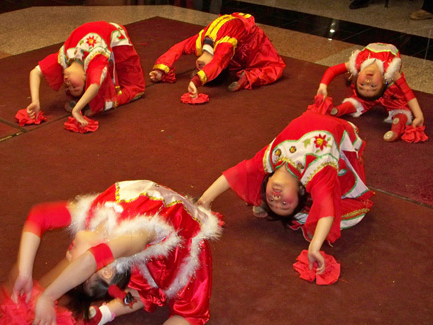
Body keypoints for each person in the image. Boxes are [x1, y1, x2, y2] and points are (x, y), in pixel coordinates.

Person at [9, 180, 222, 325]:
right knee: (144, 286)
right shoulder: (123, 238)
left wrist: (38, 286)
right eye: (77, 268)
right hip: (159, 231)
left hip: (187, 241)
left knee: (190, 309)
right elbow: (88, 256)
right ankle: (101, 314)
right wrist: (34, 282)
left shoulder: (111, 226)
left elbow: (40, 216)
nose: (68, 254)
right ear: (106, 268)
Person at [197, 99, 374, 275]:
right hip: (343, 134)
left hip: (317, 119)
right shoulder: (318, 173)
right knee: (337, 199)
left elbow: (235, 174)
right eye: (284, 204)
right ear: (301, 191)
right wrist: (314, 246)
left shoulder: (269, 160)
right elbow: (327, 210)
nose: (276, 199)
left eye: (271, 201)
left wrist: (204, 200)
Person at [26, 21, 145, 126]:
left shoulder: (63, 58)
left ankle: (96, 103)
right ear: (85, 76)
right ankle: (98, 103)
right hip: (116, 37)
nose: (67, 83)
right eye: (74, 86)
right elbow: (95, 85)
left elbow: (35, 72)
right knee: (136, 88)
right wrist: (77, 110)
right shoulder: (95, 63)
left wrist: (35, 101)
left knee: (132, 89)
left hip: (111, 33)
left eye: (68, 87)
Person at [149, 12, 286, 98]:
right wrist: (161, 69)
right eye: (201, 70)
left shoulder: (220, 45)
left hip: (253, 44)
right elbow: (177, 49)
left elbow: (218, 62)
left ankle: (249, 77)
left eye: (199, 70)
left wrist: (196, 81)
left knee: (274, 66)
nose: (198, 67)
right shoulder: (204, 41)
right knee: (227, 61)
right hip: (239, 42)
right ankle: (238, 74)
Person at [316, 42, 425, 142]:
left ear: (357, 77)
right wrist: (418, 115)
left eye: (362, 85)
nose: (367, 82)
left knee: (399, 109)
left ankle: (397, 125)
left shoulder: (358, 63)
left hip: (391, 94)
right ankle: (340, 109)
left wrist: (323, 86)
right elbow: (407, 92)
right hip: (384, 93)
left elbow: (332, 70)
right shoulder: (391, 70)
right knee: (360, 100)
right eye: (372, 86)